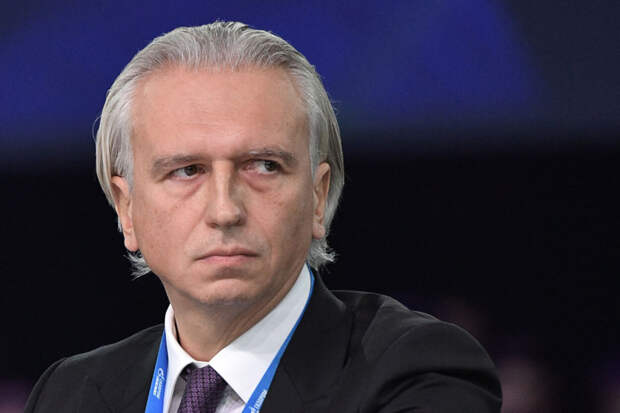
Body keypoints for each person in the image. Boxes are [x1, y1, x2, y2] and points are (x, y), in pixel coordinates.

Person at [25, 21, 501, 413]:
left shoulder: (417, 373)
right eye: (187, 171)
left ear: (318, 197)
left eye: (263, 166)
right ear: (126, 208)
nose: (224, 211)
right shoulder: (68, 395)